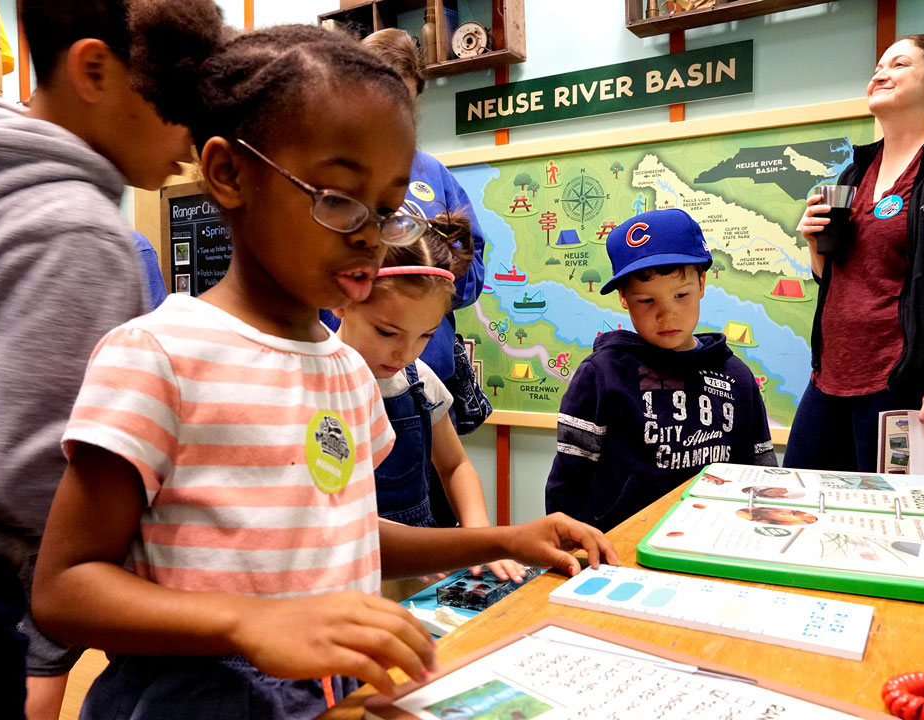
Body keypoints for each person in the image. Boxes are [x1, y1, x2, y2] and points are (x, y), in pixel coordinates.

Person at [31, 25, 617, 720]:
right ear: (228, 173)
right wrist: (248, 622)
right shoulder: (157, 356)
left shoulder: (345, 368)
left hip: (327, 696)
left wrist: (500, 538)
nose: (369, 233)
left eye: (389, 208)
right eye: (338, 198)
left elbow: (345, 536)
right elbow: (64, 587)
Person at [0, 0, 223, 716]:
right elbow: (46, 478)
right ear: (93, 69)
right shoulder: (73, 230)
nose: (199, 135)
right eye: (182, 103)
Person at [786, 34, 924, 473]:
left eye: (898, 65)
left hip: (904, 386)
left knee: (887, 530)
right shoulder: (856, 170)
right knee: (803, 506)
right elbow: (834, 277)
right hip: (831, 378)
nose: (881, 73)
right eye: (878, 66)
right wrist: (812, 242)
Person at [321, 28, 488, 528]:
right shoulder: (331, 172)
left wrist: (429, 284)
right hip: (347, 372)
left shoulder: (433, 171)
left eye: (406, 108)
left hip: (422, 391)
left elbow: (471, 260)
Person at [546, 208, 777, 533]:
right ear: (624, 298)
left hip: (719, 540)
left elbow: (761, 467)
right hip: (621, 550)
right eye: (646, 301)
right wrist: (568, 547)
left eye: (680, 295)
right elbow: (570, 477)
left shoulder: (737, 376)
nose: (667, 315)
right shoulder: (601, 375)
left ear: (701, 283)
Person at [332, 211, 524, 582]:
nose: (405, 353)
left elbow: (454, 466)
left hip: (420, 573)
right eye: (388, 332)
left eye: (425, 336)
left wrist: (479, 536)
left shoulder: (417, 379)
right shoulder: (315, 381)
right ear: (342, 300)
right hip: (347, 573)